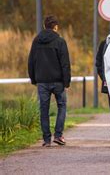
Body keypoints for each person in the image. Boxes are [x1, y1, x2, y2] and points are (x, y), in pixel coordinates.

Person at [28, 15, 71, 147]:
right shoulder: (60, 41)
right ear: (55, 27)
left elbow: (31, 61)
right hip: (58, 81)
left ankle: (46, 139)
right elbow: (65, 63)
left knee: (44, 109)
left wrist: (33, 79)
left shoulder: (36, 41)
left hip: (42, 81)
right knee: (62, 106)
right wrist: (66, 81)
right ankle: (58, 135)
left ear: (44, 26)